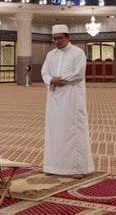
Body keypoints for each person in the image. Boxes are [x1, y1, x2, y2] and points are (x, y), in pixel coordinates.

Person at [41, 24, 93, 178]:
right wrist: (51, 80)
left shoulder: (78, 53)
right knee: (54, 131)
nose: (57, 41)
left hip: (72, 97)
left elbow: (79, 74)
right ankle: (53, 166)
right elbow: (44, 72)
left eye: (60, 38)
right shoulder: (50, 55)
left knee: (72, 131)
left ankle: (76, 169)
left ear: (67, 37)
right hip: (54, 97)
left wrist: (60, 80)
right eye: (54, 39)